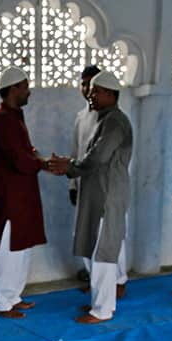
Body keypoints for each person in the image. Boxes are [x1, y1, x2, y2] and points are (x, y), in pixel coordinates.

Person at [47, 70, 133, 324]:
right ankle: (100, 302)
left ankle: (103, 309)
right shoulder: (99, 119)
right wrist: (72, 169)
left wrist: (69, 166)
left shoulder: (115, 122)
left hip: (108, 197)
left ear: (109, 94)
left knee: (104, 253)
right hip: (94, 194)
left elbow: (98, 157)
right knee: (95, 250)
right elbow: (86, 156)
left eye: (96, 91)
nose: (91, 95)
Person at [0, 66, 48, 319]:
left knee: (22, 248)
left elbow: (25, 152)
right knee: (11, 248)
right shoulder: (3, 119)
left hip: (23, 194)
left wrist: (36, 158)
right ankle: (1, 303)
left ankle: (13, 296)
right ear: (14, 89)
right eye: (25, 86)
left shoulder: (14, 116)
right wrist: (42, 163)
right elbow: (20, 160)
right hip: (12, 197)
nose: (29, 92)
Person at [68, 65, 100, 284]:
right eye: (83, 83)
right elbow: (75, 150)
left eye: (91, 84)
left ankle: (117, 281)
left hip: (101, 188)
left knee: (104, 236)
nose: (87, 88)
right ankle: (93, 277)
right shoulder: (81, 117)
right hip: (82, 186)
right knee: (83, 234)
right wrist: (72, 184)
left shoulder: (107, 118)